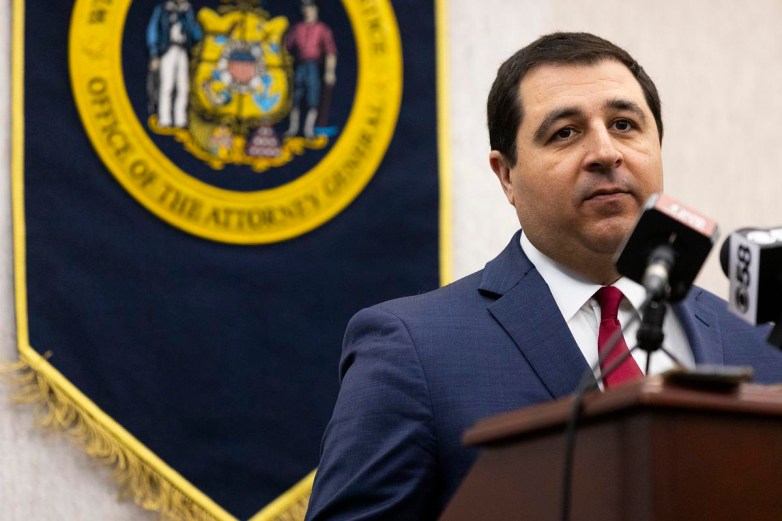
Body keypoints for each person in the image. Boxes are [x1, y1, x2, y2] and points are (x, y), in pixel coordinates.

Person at [304, 32, 782, 520]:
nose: (605, 152)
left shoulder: (758, 343)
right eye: (565, 133)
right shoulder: (412, 349)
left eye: (624, 125)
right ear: (506, 175)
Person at [284, 0, 337, 139]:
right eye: (306, 9)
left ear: (316, 10)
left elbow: (330, 52)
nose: (309, 12)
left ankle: (309, 130)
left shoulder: (323, 29)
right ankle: (293, 128)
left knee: (313, 98)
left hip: (313, 66)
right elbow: (285, 48)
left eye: (311, 9)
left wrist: (329, 72)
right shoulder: (297, 28)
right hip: (299, 66)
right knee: (295, 97)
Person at [146, 0, 203, 128]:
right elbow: (153, 31)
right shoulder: (162, 9)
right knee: (167, 85)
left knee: (183, 87)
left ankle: (180, 119)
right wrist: (154, 53)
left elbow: (196, 33)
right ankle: (164, 119)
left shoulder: (187, 11)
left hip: (182, 51)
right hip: (167, 50)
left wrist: (188, 16)